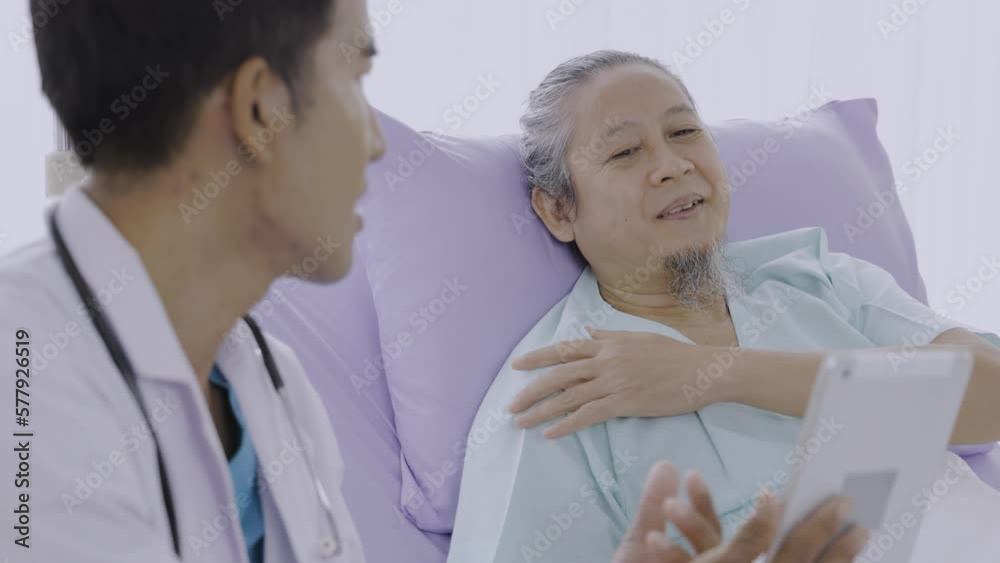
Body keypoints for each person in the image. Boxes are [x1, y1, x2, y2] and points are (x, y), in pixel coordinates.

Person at [0, 2, 864, 562]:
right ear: (263, 110)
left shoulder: (270, 382)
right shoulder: (26, 377)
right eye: (355, 82)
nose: (377, 144)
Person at [447, 50, 1000, 562]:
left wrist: (715, 375)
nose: (673, 165)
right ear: (559, 211)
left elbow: (991, 395)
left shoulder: (817, 275)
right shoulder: (555, 393)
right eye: (624, 152)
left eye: (684, 131)